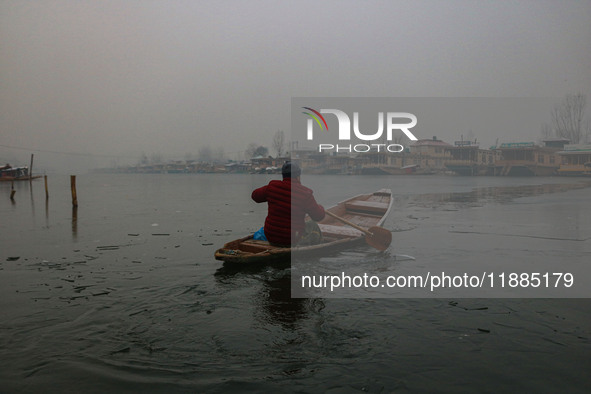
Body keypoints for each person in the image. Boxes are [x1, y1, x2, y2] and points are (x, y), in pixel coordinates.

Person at [251, 161, 325, 246]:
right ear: (298, 176)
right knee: (313, 225)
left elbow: (254, 196)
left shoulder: (272, 186)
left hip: (271, 236)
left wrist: (269, 191)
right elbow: (318, 216)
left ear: (283, 175)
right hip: (292, 239)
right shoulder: (305, 193)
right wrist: (321, 208)